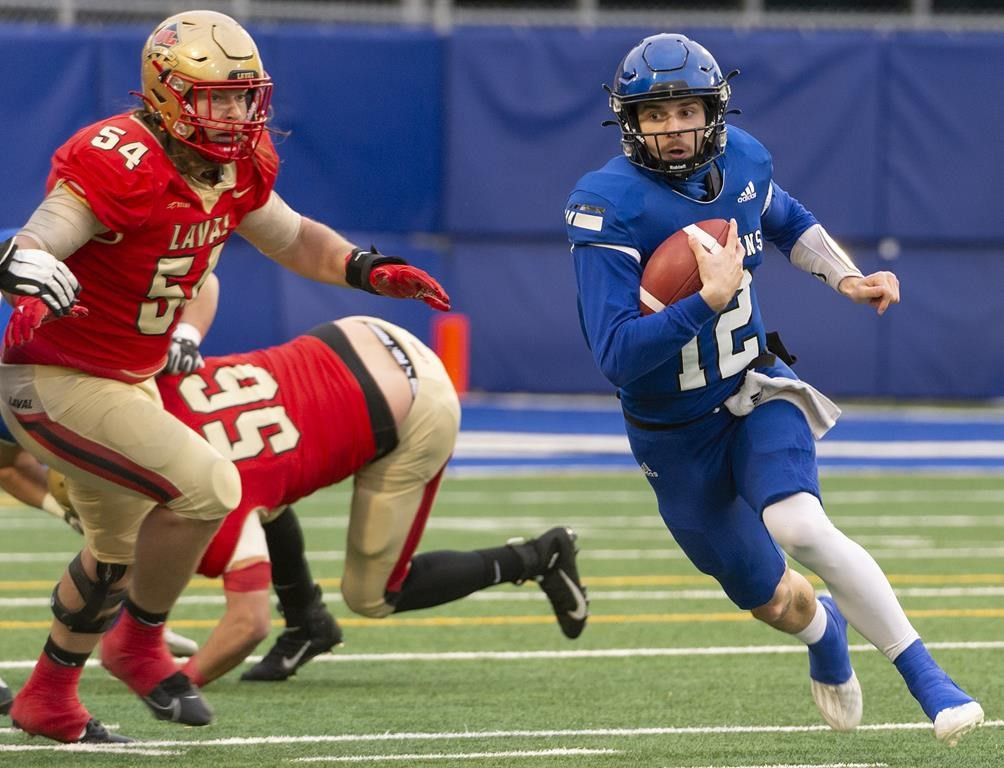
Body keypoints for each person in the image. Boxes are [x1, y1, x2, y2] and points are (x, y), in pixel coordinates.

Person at [0, 10, 449, 745]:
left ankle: (48, 697)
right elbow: (50, 226)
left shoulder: (234, 164)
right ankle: (139, 642)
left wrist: (365, 268)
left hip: (125, 377)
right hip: (53, 374)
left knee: (115, 550)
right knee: (210, 486)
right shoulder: (121, 156)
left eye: (245, 97)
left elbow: (292, 236)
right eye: (217, 97)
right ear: (168, 94)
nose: (236, 114)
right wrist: (24, 256)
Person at [565, 33, 983, 747]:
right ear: (629, 121)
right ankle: (826, 633)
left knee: (800, 525)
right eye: (654, 115)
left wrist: (843, 275)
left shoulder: (744, 160)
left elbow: (782, 216)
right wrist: (704, 300)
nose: (672, 129)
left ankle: (930, 682)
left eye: (686, 110)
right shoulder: (606, 204)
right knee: (775, 600)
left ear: (713, 110)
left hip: (755, 387)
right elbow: (616, 356)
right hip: (674, 435)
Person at [45, 291, 588, 687]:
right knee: (268, 499)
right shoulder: (143, 386)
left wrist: (177, 683)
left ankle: (537, 556)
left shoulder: (206, 498)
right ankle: (308, 621)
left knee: (373, 595)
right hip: (353, 337)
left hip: (413, 404)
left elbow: (245, 625)